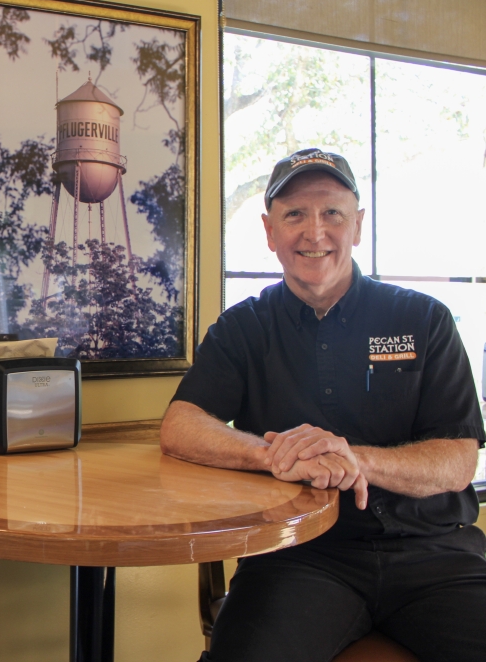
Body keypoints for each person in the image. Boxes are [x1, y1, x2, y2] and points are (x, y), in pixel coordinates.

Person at [160, 148, 486, 662]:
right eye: (295, 214)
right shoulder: (243, 327)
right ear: (270, 233)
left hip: (436, 554)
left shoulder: (425, 319)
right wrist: (275, 455)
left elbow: (459, 461)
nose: (315, 233)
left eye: (332, 212)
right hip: (298, 557)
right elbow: (180, 426)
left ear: (358, 225)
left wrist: (355, 458)